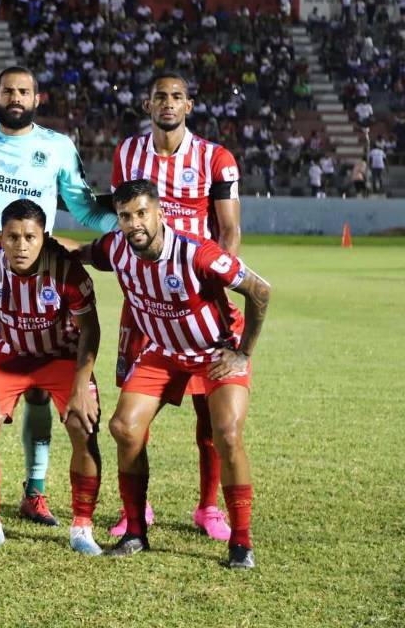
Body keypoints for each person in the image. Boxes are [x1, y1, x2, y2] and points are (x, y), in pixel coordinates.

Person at [0, 65, 116, 525]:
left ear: (38, 98)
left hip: (41, 285)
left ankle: (35, 490)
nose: (16, 97)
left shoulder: (55, 147)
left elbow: (85, 208)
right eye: (8, 90)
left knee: (36, 393)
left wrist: (135, 224)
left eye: (24, 91)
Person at [75, 179, 272, 569]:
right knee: (124, 428)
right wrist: (31, 243)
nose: (134, 224)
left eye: (142, 213)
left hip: (213, 351)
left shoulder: (197, 253)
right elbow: (81, 252)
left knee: (227, 434)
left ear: (160, 213)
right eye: (125, 216)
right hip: (162, 352)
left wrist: (243, 352)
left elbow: (260, 290)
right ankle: (135, 532)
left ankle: (242, 542)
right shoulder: (116, 247)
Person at [109, 70, 242, 541]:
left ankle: (208, 508)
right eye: (160, 96)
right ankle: (134, 510)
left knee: (211, 414)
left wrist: (217, 281)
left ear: (189, 105)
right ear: (148, 105)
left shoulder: (215, 158)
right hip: (145, 305)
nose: (168, 103)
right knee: (130, 412)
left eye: (177, 97)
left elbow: (228, 231)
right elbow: (124, 218)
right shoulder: (127, 153)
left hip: (195, 299)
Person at [0, 199, 104, 554]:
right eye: (12, 237)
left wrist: (82, 387)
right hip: (8, 353)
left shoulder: (67, 270)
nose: (20, 245)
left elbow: (90, 330)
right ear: (1, 237)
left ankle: (82, 527)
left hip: (62, 355)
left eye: (29, 237)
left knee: (82, 425)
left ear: (43, 237)